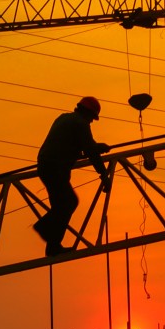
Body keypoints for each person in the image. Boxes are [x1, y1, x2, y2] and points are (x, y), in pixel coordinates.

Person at [33, 96, 111, 256]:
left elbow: (74, 146)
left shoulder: (64, 118)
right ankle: (43, 227)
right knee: (69, 202)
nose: (91, 122)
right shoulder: (81, 124)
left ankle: (52, 247)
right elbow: (90, 151)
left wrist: (96, 147)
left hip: (46, 166)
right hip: (55, 168)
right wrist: (104, 175)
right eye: (92, 118)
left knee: (61, 206)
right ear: (89, 114)